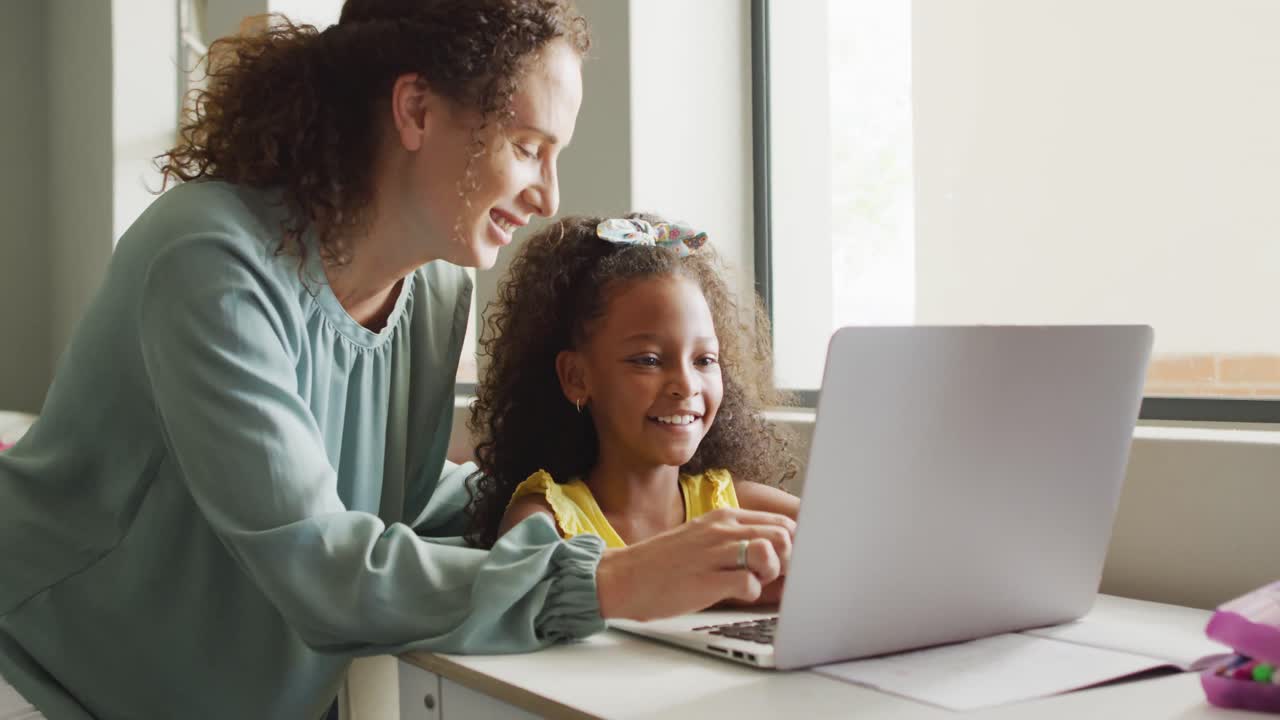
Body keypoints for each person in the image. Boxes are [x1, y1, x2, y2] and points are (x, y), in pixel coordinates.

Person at [0, 2, 795, 718]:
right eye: (528, 147)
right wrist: (612, 579)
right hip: (46, 682)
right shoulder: (208, 260)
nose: (549, 196)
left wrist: (622, 502)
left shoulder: (439, 285)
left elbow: (398, 498)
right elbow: (320, 561)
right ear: (416, 109)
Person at [465, 214, 801, 602]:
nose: (686, 385)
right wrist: (710, 584)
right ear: (576, 376)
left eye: (705, 360)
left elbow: (856, 556)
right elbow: (527, 603)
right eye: (649, 360)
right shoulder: (547, 520)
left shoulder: (734, 503)